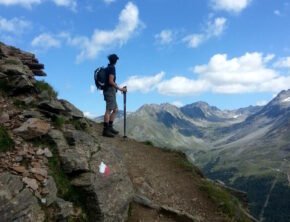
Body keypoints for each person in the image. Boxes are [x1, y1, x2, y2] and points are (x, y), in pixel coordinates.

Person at [103, 54, 127, 137]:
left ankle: (110, 127)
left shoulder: (107, 68)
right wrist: (120, 89)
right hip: (109, 91)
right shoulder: (112, 68)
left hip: (110, 91)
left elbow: (110, 81)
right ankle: (105, 130)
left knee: (115, 109)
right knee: (109, 109)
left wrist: (116, 88)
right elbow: (110, 81)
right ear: (115, 60)